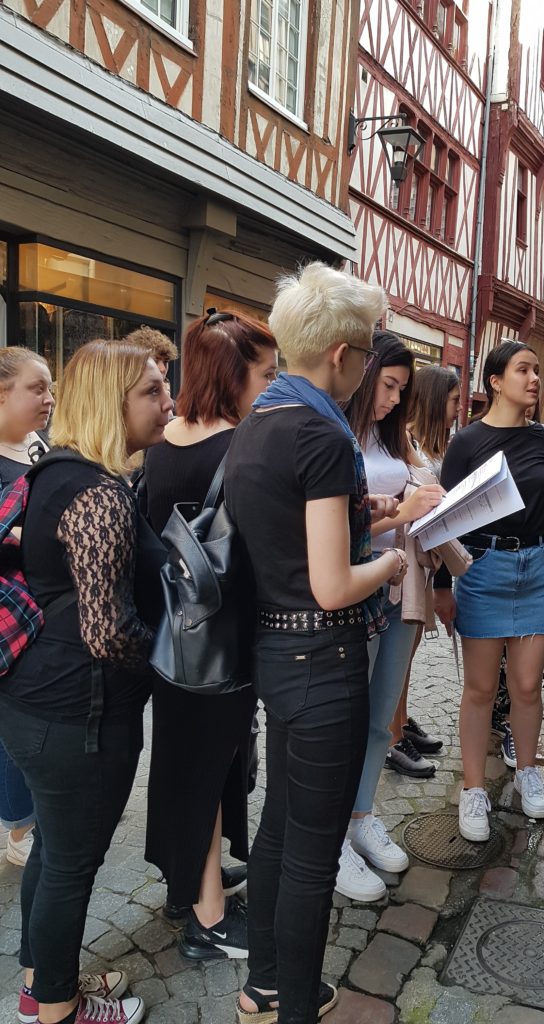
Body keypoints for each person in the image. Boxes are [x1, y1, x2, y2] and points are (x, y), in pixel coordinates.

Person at [225, 263, 405, 1024]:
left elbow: (288, 540)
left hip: (276, 650)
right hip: (323, 658)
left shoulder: (260, 422)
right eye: (366, 353)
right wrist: (391, 563)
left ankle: (264, 985)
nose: (366, 368)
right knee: (311, 852)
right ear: (340, 353)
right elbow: (333, 584)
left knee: (279, 828)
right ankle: (293, 1006)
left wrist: (367, 515)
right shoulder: (322, 434)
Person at [0, 340, 172, 1024]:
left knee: (54, 852)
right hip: (79, 715)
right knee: (71, 863)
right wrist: (170, 656)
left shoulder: (56, 470)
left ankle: (42, 982)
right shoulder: (98, 494)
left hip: (37, 702)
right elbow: (108, 631)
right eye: (152, 391)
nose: (168, 403)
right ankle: (60, 1010)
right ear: (112, 401)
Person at [143, 310, 278, 960]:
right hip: (225, 638)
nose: (273, 386)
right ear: (233, 374)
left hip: (174, 635)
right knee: (210, 769)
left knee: (185, 764)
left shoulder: (162, 442)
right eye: (267, 374)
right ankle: (210, 921)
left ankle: (190, 885)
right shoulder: (242, 447)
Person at [434, 341, 544, 840]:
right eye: (523, 370)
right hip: (484, 570)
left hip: (538, 569)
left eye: (536, 370)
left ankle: (527, 771)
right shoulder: (467, 442)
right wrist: (442, 588)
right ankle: (474, 789)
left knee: (527, 685)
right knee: (481, 688)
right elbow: (441, 523)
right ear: (496, 381)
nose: (534, 379)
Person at [333, 332, 445, 900]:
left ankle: (361, 817)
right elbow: (338, 529)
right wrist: (403, 510)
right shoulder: (334, 432)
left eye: (403, 389)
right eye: (389, 385)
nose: (396, 398)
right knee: (344, 721)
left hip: (401, 588)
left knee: (381, 719)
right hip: (354, 590)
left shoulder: (396, 437)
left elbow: (413, 500)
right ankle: (331, 838)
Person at [384, 364, 462, 773]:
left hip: (421, 561)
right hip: (404, 563)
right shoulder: (404, 438)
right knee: (400, 653)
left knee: (408, 653)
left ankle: (400, 721)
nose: (458, 409)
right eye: (453, 401)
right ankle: (392, 734)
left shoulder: (420, 441)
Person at [0, 348, 54, 867]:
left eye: (50, 388)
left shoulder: (38, 444)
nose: (49, 398)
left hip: (40, 610)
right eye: (37, 388)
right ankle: (18, 827)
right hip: (8, 615)